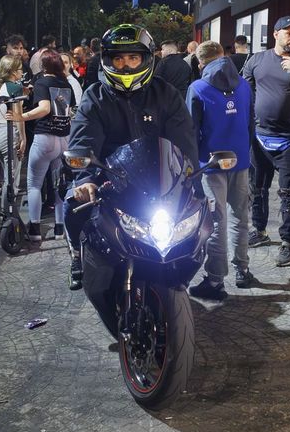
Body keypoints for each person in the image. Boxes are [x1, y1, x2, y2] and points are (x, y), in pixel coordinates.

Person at [67, 24, 198, 322]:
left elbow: (184, 142)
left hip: (160, 184)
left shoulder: (166, 94)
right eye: (118, 58)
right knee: (72, 207)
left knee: (203, 218)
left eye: (133, 58)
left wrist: (189, 177)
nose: (126, 65)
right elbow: (84, 140)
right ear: (108, 60)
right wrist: (85, 179)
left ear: (146, 59)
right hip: (110, 181)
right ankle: (76, 255)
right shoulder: (95, 97)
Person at [243, 16, 290, 267]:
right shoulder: (256, 60)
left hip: (289, 140)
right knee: (257, 189)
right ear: (275, 34)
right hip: (260, 138)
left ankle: (288, 243)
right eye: (289, 33)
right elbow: (246, 94)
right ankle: (260, 231)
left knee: (288, 193)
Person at [186, 40, 256, 301]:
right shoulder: (244, 85)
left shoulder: (198, 88)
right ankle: (242, 269)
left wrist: (191, 167)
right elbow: (250, 123)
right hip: (240, 160)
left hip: (211, 163)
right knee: (240, 216)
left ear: (201, 62)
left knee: (216, 221)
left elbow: (191, 131)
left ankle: (215, 280)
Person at [21, 49, 75, 242]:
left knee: (34, 184)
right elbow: (69, 111)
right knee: (59, 185)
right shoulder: (66, 83)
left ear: (43, 66)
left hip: (45, 137)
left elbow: (44, 108)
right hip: (64, 139)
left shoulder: (42, 82)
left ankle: (35, 230)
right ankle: (60, 229)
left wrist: (21, 116)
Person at [0, 55, 27, 207]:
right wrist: (23, 139)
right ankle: (8, 214)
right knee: (11, 182)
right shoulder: (15, 88)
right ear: (13, 72)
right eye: (20, 69)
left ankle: (6, 213)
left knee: (7, 178)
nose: (22, 72)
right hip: (9, 133)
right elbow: (18, 117)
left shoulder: (0, 87)